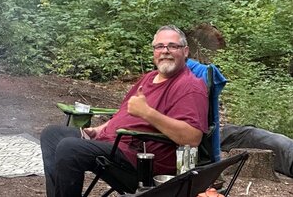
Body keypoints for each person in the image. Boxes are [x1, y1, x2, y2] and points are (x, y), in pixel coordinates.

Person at [40, 25, 209, 197]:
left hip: (140, 161)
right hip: (115, 146)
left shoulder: (189, 86)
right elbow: (124, 114)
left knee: (70, 148)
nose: (165, 51)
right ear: (154, 51)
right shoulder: (149, 78)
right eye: (160, 46)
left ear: (185, 51)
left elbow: (192, 137)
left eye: (172, 46)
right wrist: (99, 130)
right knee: (51, 134)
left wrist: (147, 113)